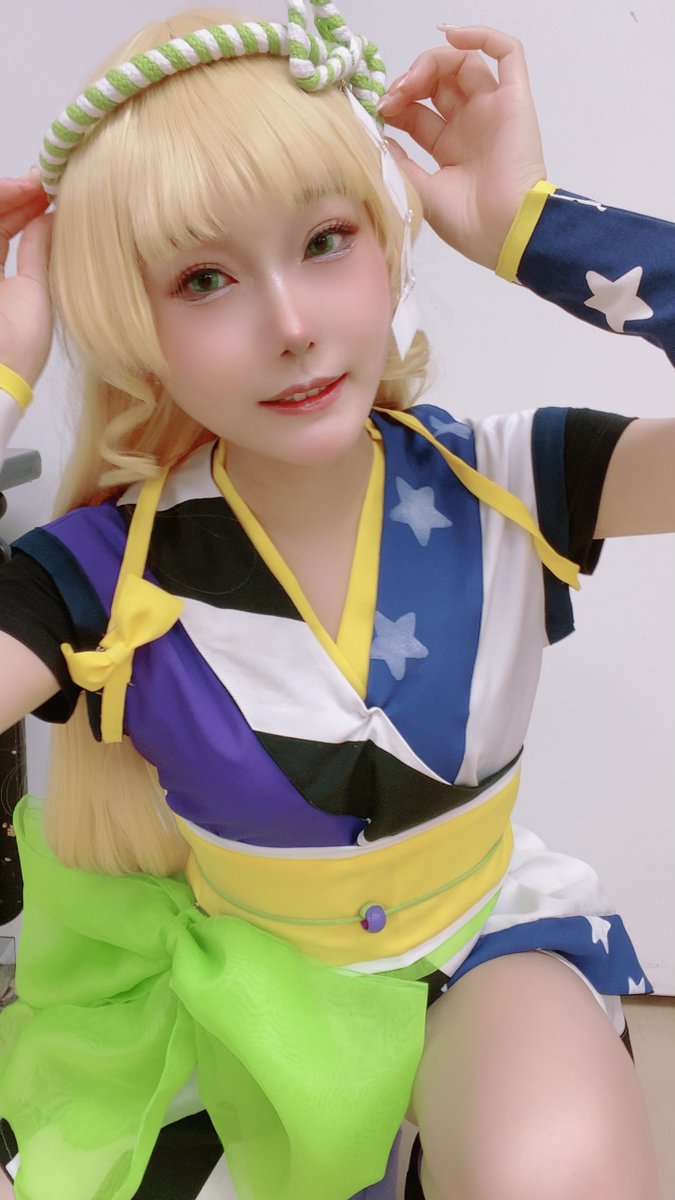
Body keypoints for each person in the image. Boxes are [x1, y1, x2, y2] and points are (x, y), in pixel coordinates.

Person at [0, 4, 671, 1198]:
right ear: (133, 322)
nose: (293, 326)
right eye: (206, 278)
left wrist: (539, 230)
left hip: (485, 950)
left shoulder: (512, 476)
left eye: (326, 239)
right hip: (244, 1000)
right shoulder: (102, 570)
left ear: (389, 236)